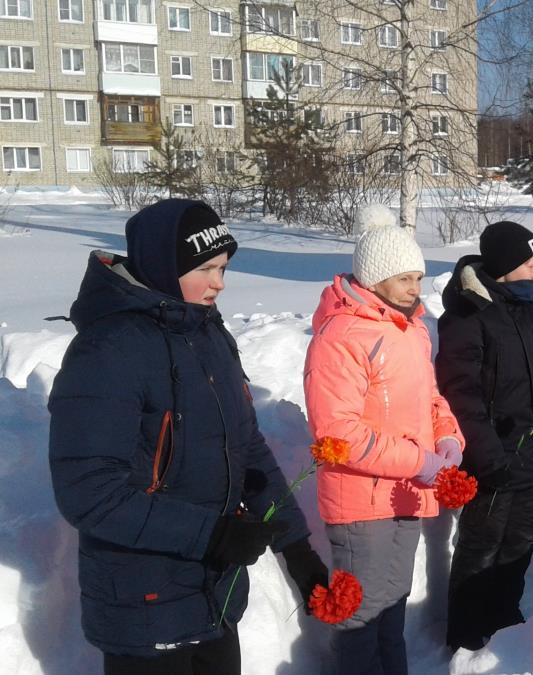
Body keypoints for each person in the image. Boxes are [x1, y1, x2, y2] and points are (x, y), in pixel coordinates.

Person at [48, 199, 328, 673]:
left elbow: (247, 447)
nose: (219, 283)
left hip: (213, 594)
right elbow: (89, 492)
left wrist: (296, 548)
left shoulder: (208, 333)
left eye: (223, 268)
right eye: (206, 269)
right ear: (163, 264)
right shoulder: (107, 350)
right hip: (144, 605)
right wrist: (212, 534)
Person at [303, 204, 464, 674]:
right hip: (361, 501)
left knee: (392, 605)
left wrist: (449, 438)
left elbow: (430, 398)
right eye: (404, 279)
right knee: (360, 613)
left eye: (418, 276)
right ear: (374, 281)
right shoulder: (341, 337)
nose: (416, 288)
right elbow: (339, 433)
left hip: (404, 493)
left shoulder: (411, 330)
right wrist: (420, 462)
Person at [436, 221, 533, 651]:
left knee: (522, 539)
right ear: (505, 268)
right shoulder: (468, 315)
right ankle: (466, 631)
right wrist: (487, 457)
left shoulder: (530, 307)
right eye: (530, 264)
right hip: (494, 460)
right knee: (482, 544)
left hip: (532, 453)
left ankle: (504, 612)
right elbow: (460, 394)